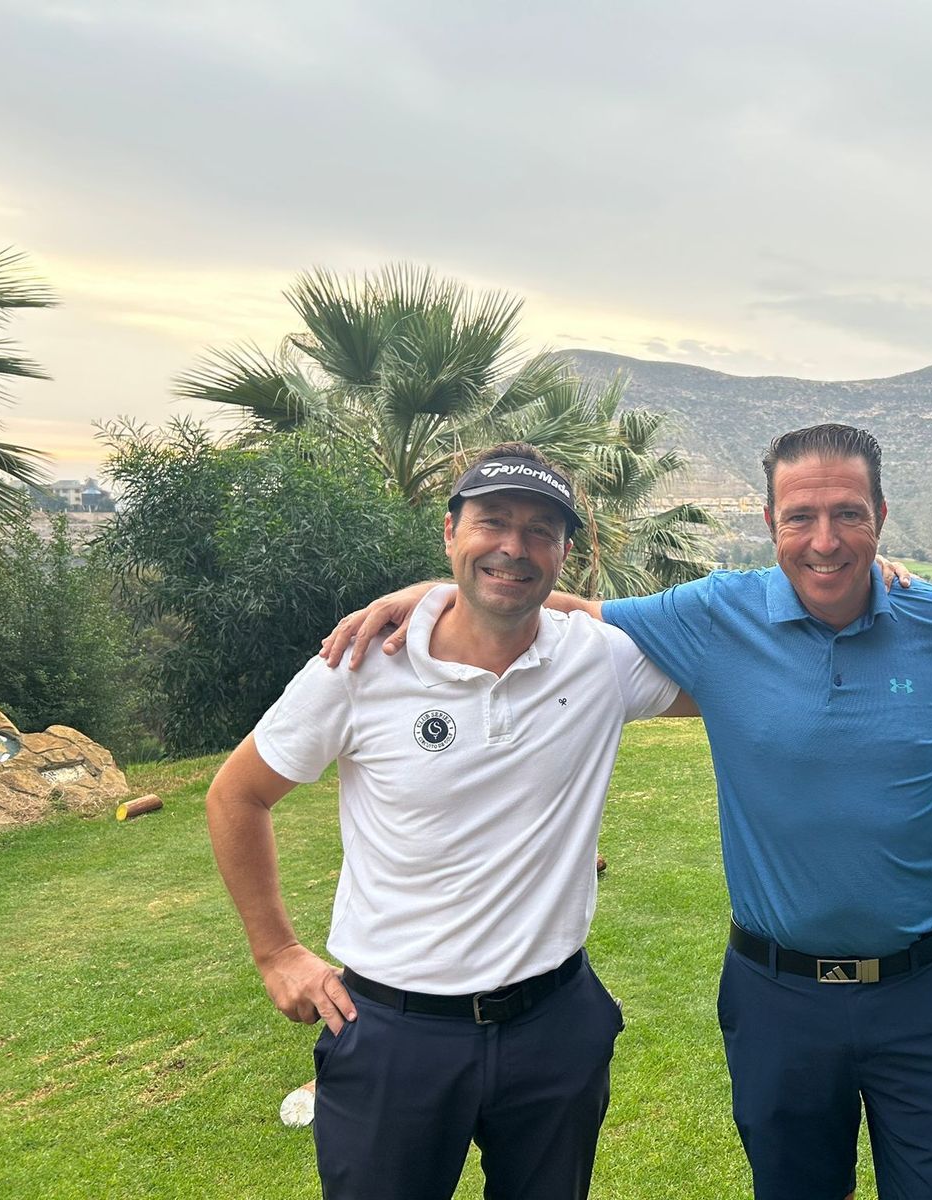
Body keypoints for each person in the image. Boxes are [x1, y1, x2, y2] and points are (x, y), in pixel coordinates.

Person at [326, 424, 932, 1200]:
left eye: (849, 514)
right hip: (777, 995)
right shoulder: (717, 614)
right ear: (770, 521)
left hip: (923, 989)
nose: (824, 541)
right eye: (798, 517)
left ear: (880, 513)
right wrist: (437, 595)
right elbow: (568, 610)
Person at [206, 443, 693, 1200]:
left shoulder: (599, 660)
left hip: (555, 1022)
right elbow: (237, 795)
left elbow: (738, 667)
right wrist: (277, 953)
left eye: (540, 532)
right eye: (492, 522)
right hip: (394, 1034)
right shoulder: (361, 664)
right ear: (449, 532)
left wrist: (869, 584)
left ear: (566, 551)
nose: (513, 547)